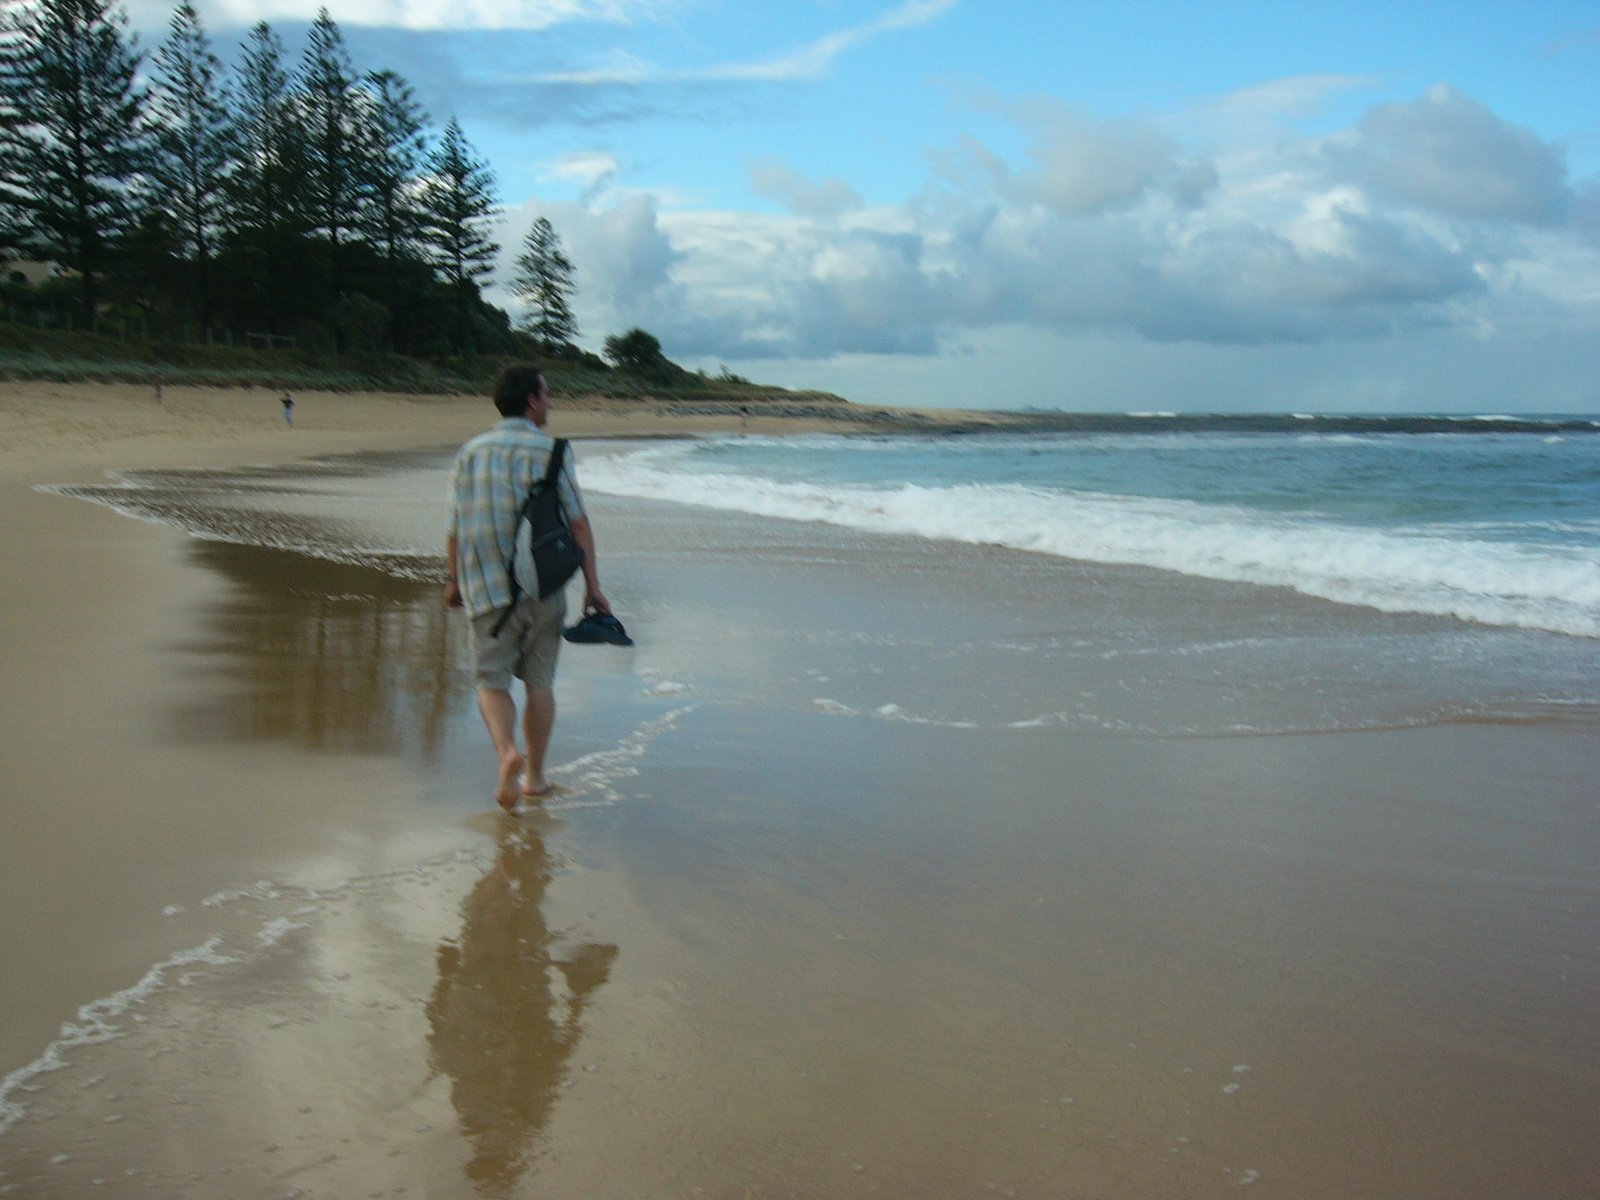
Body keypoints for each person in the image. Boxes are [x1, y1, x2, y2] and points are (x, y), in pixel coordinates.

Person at [445, 363, 609, 811]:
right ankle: (535, 778)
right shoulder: (552, 451)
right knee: (540, 681)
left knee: (490, 680)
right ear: (532, 400)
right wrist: (593, 588)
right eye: (548, 395)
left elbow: (456, 526)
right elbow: (577, 523)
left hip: (485, 588)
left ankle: (506, 753)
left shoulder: (470, 452)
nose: (551, 403)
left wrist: (454, 581)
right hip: (543, 586)